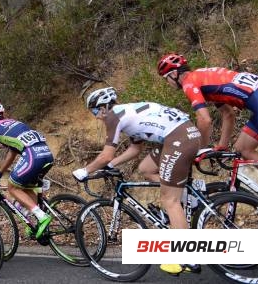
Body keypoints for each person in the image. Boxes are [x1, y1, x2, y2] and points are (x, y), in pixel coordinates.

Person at [73, 86, 202, 277]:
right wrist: (111, 165)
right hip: (186, 134)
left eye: (94, 111)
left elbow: (106, 155)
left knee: (170, 201)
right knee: (146, 169)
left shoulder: (112, 117)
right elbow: (135, 150)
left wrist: (85, 171)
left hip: (178, 139)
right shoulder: (127, 112)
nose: (96, 116)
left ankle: (186, 257)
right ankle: (189, 195)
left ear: (103, 106)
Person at [0, 102, 54, 239]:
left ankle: (42, 217)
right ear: (2, 114)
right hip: (47, 154)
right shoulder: (15, 123)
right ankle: (35, 225)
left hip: (32, 155)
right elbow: (13, 152)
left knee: (12, 188)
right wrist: (0, 171)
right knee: (28, 188)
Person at [158, 53, 258, 160]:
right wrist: (222, 146)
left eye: (166, 78)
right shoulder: (202, 77)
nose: (168, 83)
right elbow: (228, 113)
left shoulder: (189, 83)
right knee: (242, 149)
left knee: (244, 150)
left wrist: (199, 149)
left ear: (174, 74)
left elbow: (204, 120)